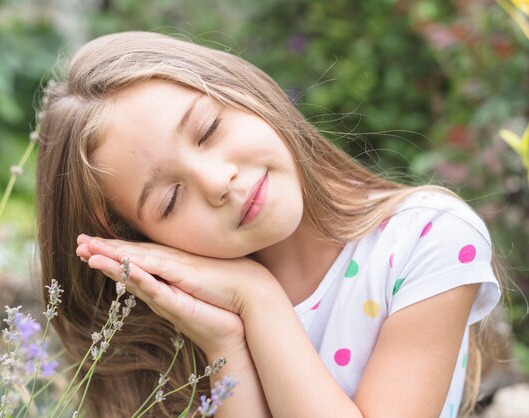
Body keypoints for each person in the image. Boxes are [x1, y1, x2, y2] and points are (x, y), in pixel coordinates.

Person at [36, 31, 503, 417]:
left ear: (247, 92)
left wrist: (257, 299)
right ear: (138, 240)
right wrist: (226, 342)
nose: (220, 181)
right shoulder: (176, 324)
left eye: (209, 130)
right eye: (171, 199)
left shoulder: (426, 238)